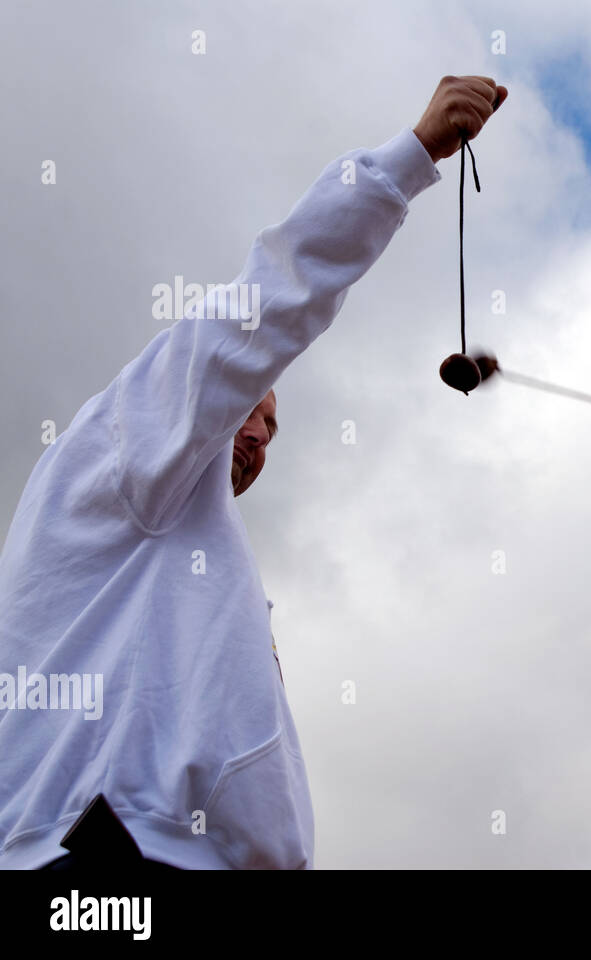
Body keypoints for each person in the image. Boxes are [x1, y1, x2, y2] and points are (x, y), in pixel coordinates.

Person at [0, 75, 507, 869]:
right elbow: (258, 312)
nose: (262, 435)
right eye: (251, 408)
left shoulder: (176, 544)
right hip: (105, 860)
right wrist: (407, 160)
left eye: (274, 428)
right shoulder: (125, 447)